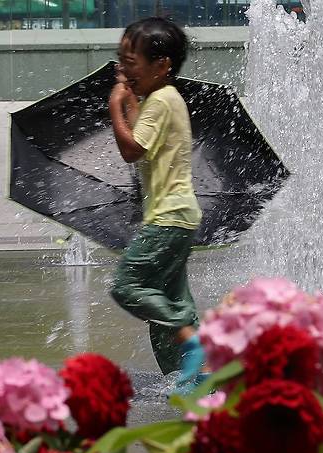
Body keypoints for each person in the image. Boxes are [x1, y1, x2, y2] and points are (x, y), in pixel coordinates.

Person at [108, 17, 205, 391]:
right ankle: (193, 380)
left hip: (167, 219)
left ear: (161, 66)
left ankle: (192, 341)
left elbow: (132, 149)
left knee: (127, 286)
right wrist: (132, 103)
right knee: (167, 302)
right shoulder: (161, 100)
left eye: (130, 62)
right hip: (178, 217)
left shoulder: (162, 100)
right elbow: (143, 136)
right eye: (120, 60)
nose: (123, 70)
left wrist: (116, 107)